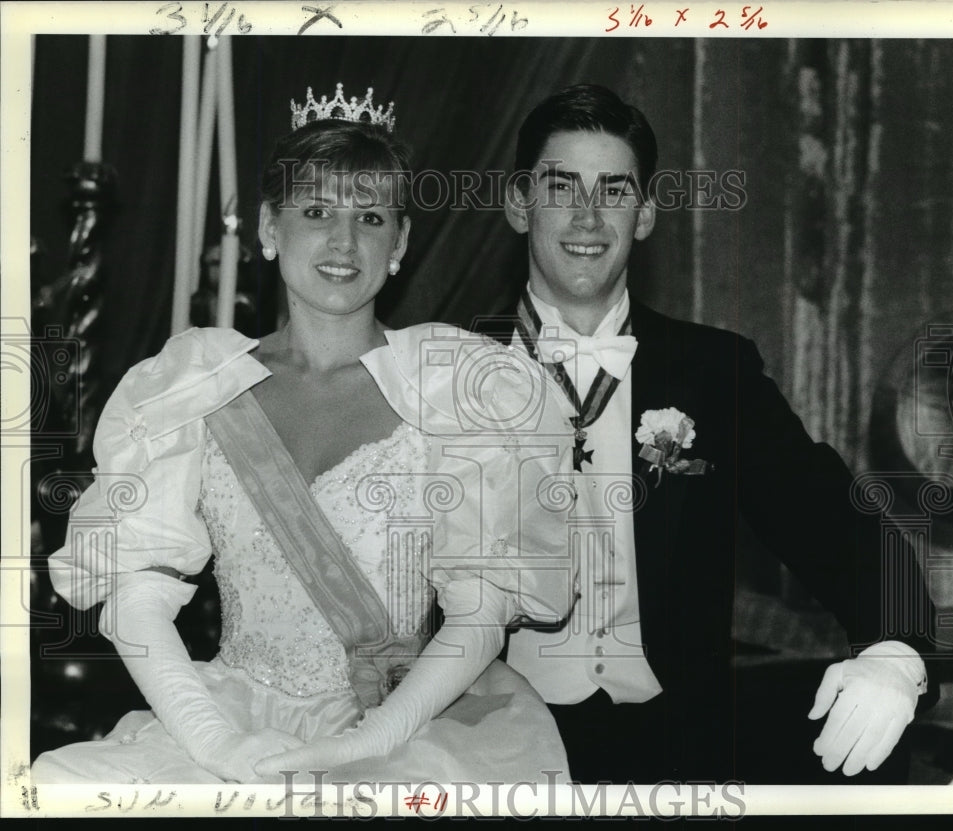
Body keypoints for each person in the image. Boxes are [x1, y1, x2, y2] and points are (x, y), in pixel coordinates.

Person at [32, 86, 577, 785]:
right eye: (316, 211)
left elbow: (480, 614)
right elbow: (135, 598)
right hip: (229, 716)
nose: (343, 243)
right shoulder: (196, 384)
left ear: (401, 241)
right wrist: (217, 744)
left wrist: (368, 740)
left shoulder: (454, 387)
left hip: (406, 722)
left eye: (371, 216)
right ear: (268, 226)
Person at [471, 83, 940, 784]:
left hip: (674, 750)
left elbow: (834, 522)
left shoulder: (711, 371)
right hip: (490, 751)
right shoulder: (443, 368)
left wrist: (898, 654)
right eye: (561, 186)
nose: (589, 217)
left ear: (648, 213)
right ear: (518, 203)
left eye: (616, 190)